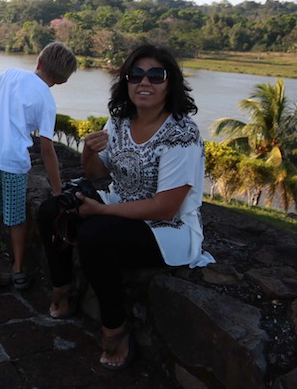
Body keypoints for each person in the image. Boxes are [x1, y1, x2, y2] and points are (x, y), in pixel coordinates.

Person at [36, 43, 214, 371]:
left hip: (169, 229)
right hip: (122, 205)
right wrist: (88, 152)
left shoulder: (182, 134)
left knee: (94, 233)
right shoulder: (118, 119)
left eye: (155, 76)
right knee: (52, 211)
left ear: (170, 83)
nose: (144, 83)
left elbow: (165, 208)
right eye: (136, 75)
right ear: (126, 82)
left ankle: (115, 328)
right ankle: (62, 287)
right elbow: (97, 173)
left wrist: (102, 211)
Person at [0, 42, 77, 292]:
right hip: (13, 164)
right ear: (62, 81)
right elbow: (47, 149)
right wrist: (57, 189)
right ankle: (18, 271)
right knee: (15, 220)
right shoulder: (48, 101)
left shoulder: (10, 74)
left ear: (39, 62)